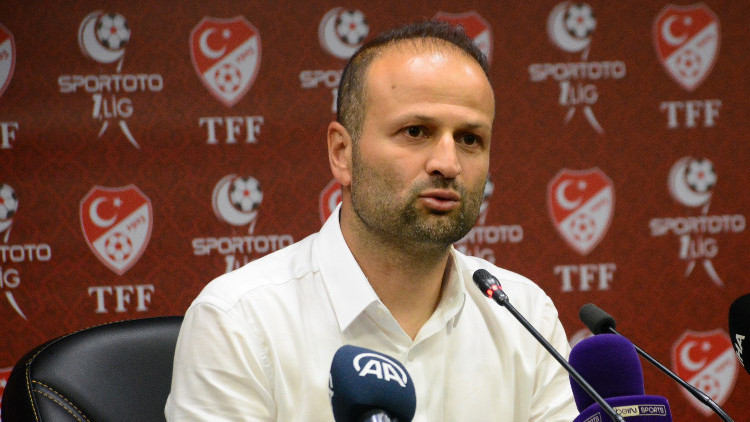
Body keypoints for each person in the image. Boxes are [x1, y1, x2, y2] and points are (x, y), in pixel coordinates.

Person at [166, 21, 577, 421]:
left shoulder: (526, 317)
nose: (448, 163)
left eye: (470, 139)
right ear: (342, 153)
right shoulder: (240, 321)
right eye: (416, 132)